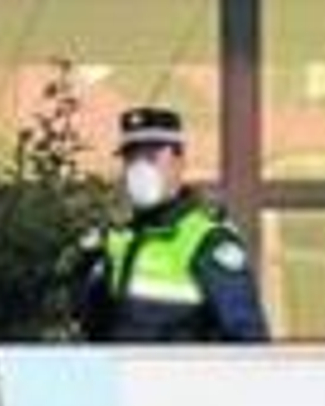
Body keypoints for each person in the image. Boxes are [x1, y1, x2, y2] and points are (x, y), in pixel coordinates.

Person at [75, 106, 270, 345]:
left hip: (183, 381)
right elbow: (94, 332)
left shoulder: (208, 240)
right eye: (131, 158)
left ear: (179, 161)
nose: (139, 169)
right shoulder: (119, 240)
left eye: (150, 157)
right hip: (124, 381)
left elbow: (247, 339)